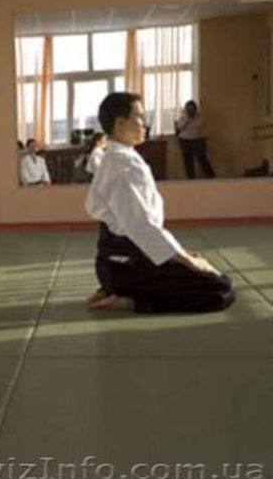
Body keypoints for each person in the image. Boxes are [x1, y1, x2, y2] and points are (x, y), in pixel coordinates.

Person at [85, 92, 234, 313]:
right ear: (120, 123)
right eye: (140, 117)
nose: (145, 123)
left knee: (210, 274)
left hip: (119, 262)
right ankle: (131, 301)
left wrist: (181, 253)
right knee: (221, 289)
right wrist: (185, 260)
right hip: (126, 267)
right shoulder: (122, 166)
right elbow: (140, 225)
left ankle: (114, 288)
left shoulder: (118, 157)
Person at [174, 100, 215, 179]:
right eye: (188, 109)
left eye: (192, 109)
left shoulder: (200, 116)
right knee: (188, 160)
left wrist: (194, 118)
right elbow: (180, 127)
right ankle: (191, 179)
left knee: (201, 158)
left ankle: (211, 176)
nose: (190, 111)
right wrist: (188, 118)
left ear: (195, 109)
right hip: (185, 140)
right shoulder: (183, 116)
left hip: (198, 140)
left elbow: (201, 126)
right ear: (186, 109)